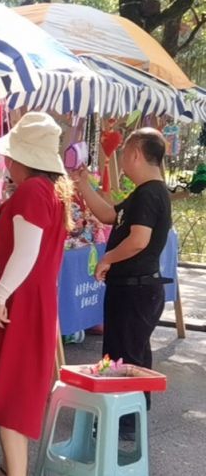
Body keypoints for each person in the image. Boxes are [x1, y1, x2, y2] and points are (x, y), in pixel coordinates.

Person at [0, 112, 73, 476]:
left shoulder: (33, 191)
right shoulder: (51, 191)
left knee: (11, 393)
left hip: (20, 302)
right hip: (34, 300)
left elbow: (25, 252)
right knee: (12, 387)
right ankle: (8, 471)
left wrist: (0, 296)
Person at [71, 128, 172, 439]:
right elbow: (108, 215)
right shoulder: (143, 192)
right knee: (126, 351)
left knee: (126, 355)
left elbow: (139, 240)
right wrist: (83, 184)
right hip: (130, 287)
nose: (122, 161)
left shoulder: (150, 193)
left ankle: (124, 422)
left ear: (136, 154)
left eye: (124, 153)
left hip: (136, 288)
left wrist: (108, 258)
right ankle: (126, 414)